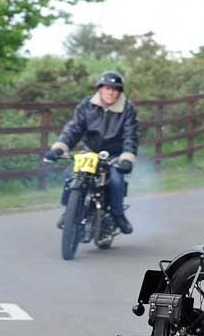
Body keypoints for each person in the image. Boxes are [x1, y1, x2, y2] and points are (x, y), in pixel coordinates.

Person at [44, 70, 138, 234]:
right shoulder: (86, 105)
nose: (110, 92)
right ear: (100, 88)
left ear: (119, 92)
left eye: (115, 89)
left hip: (114, 156)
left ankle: (118, 215)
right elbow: (73, 129)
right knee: (69, 175)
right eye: (107, 88)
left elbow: (130, 135)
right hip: (90, 153)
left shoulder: (127, 109)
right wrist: (59, 148)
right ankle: (69, 211)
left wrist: (127, 158)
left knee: (116, 181)